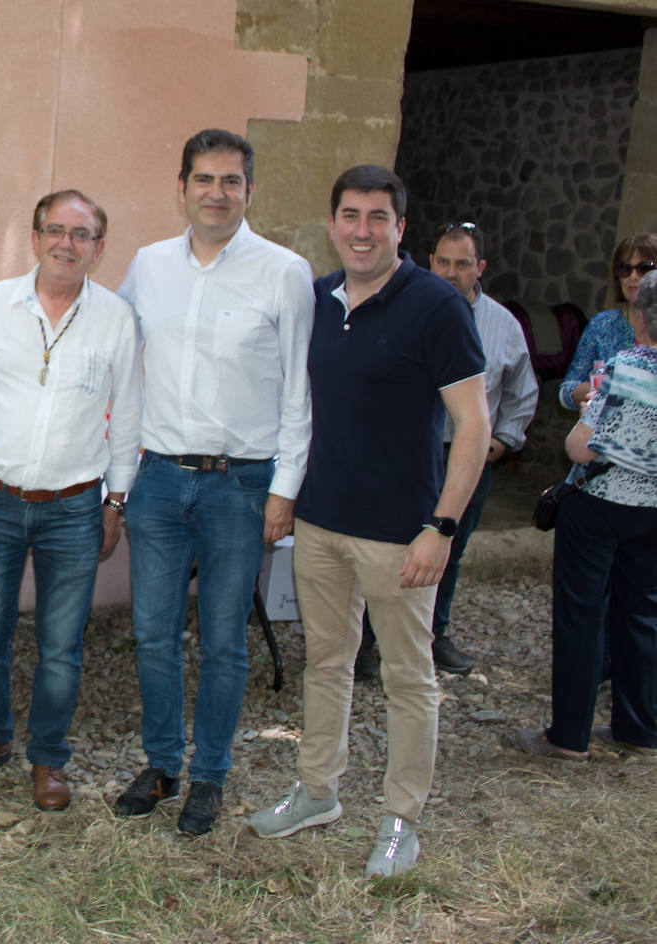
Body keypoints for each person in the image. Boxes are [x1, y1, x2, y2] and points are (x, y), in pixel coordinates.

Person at [248, 166, 489, 877]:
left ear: (400, 229)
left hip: (402, 533)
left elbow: (472, 425)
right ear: (332, 225)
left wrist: (441, 527)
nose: (362, 230)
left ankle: (400, 819)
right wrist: (288, 496)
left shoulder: (436, 305)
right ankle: (317, 790)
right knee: (327, 664)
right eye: (349, 216)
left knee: (409, 679)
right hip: (320, 524)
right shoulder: (319, 298)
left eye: (377, 218)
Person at [111, 129, 313, 836]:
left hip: (240, 486)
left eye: (231, 181)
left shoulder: (284, 272)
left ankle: (210, 777)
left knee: (225, 639)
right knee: (153, 634)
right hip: (160, 481)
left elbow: (298, 392)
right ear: (183, 187)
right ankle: (163, 764)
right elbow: (109, 340)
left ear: (249, 192)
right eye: (204, 180)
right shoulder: (148, 265)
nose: (216, 193)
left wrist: (285, 490)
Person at [0, 190, 142, 811]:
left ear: (98, 248)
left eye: (81, 235)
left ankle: (49, 757)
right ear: (35, 238)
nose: (67, 243)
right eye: (55, 230)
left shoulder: (116, 319)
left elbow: (129, 417)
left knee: (61, 647)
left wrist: (118, 501)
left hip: (75, 507)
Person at [358, 221, 538, 677]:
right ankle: (365, 643)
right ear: (430, 260)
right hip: (404, 455)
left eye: (462, 264)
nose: (450, 272)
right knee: (385, 547)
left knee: (448, 549)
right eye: (442, 261)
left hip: (463, 457)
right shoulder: (398, 310)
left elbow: (523, 390)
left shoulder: (503, 325)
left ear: (479, 268)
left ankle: (434, 635)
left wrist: (503, 440)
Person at [514, 270, 657, 762]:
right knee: (642, 615)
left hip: (599, 505)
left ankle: (568, 736)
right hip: (653, 512)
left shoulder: (625, 364)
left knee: (581, 615)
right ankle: (638, 728)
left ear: (639, 314)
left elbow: (580, 447)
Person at [559, 233, 657, 411]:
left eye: (645, 268)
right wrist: (603, 386)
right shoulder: (602, 324)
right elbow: (566, 391)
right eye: (625, 268)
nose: (633, 276)